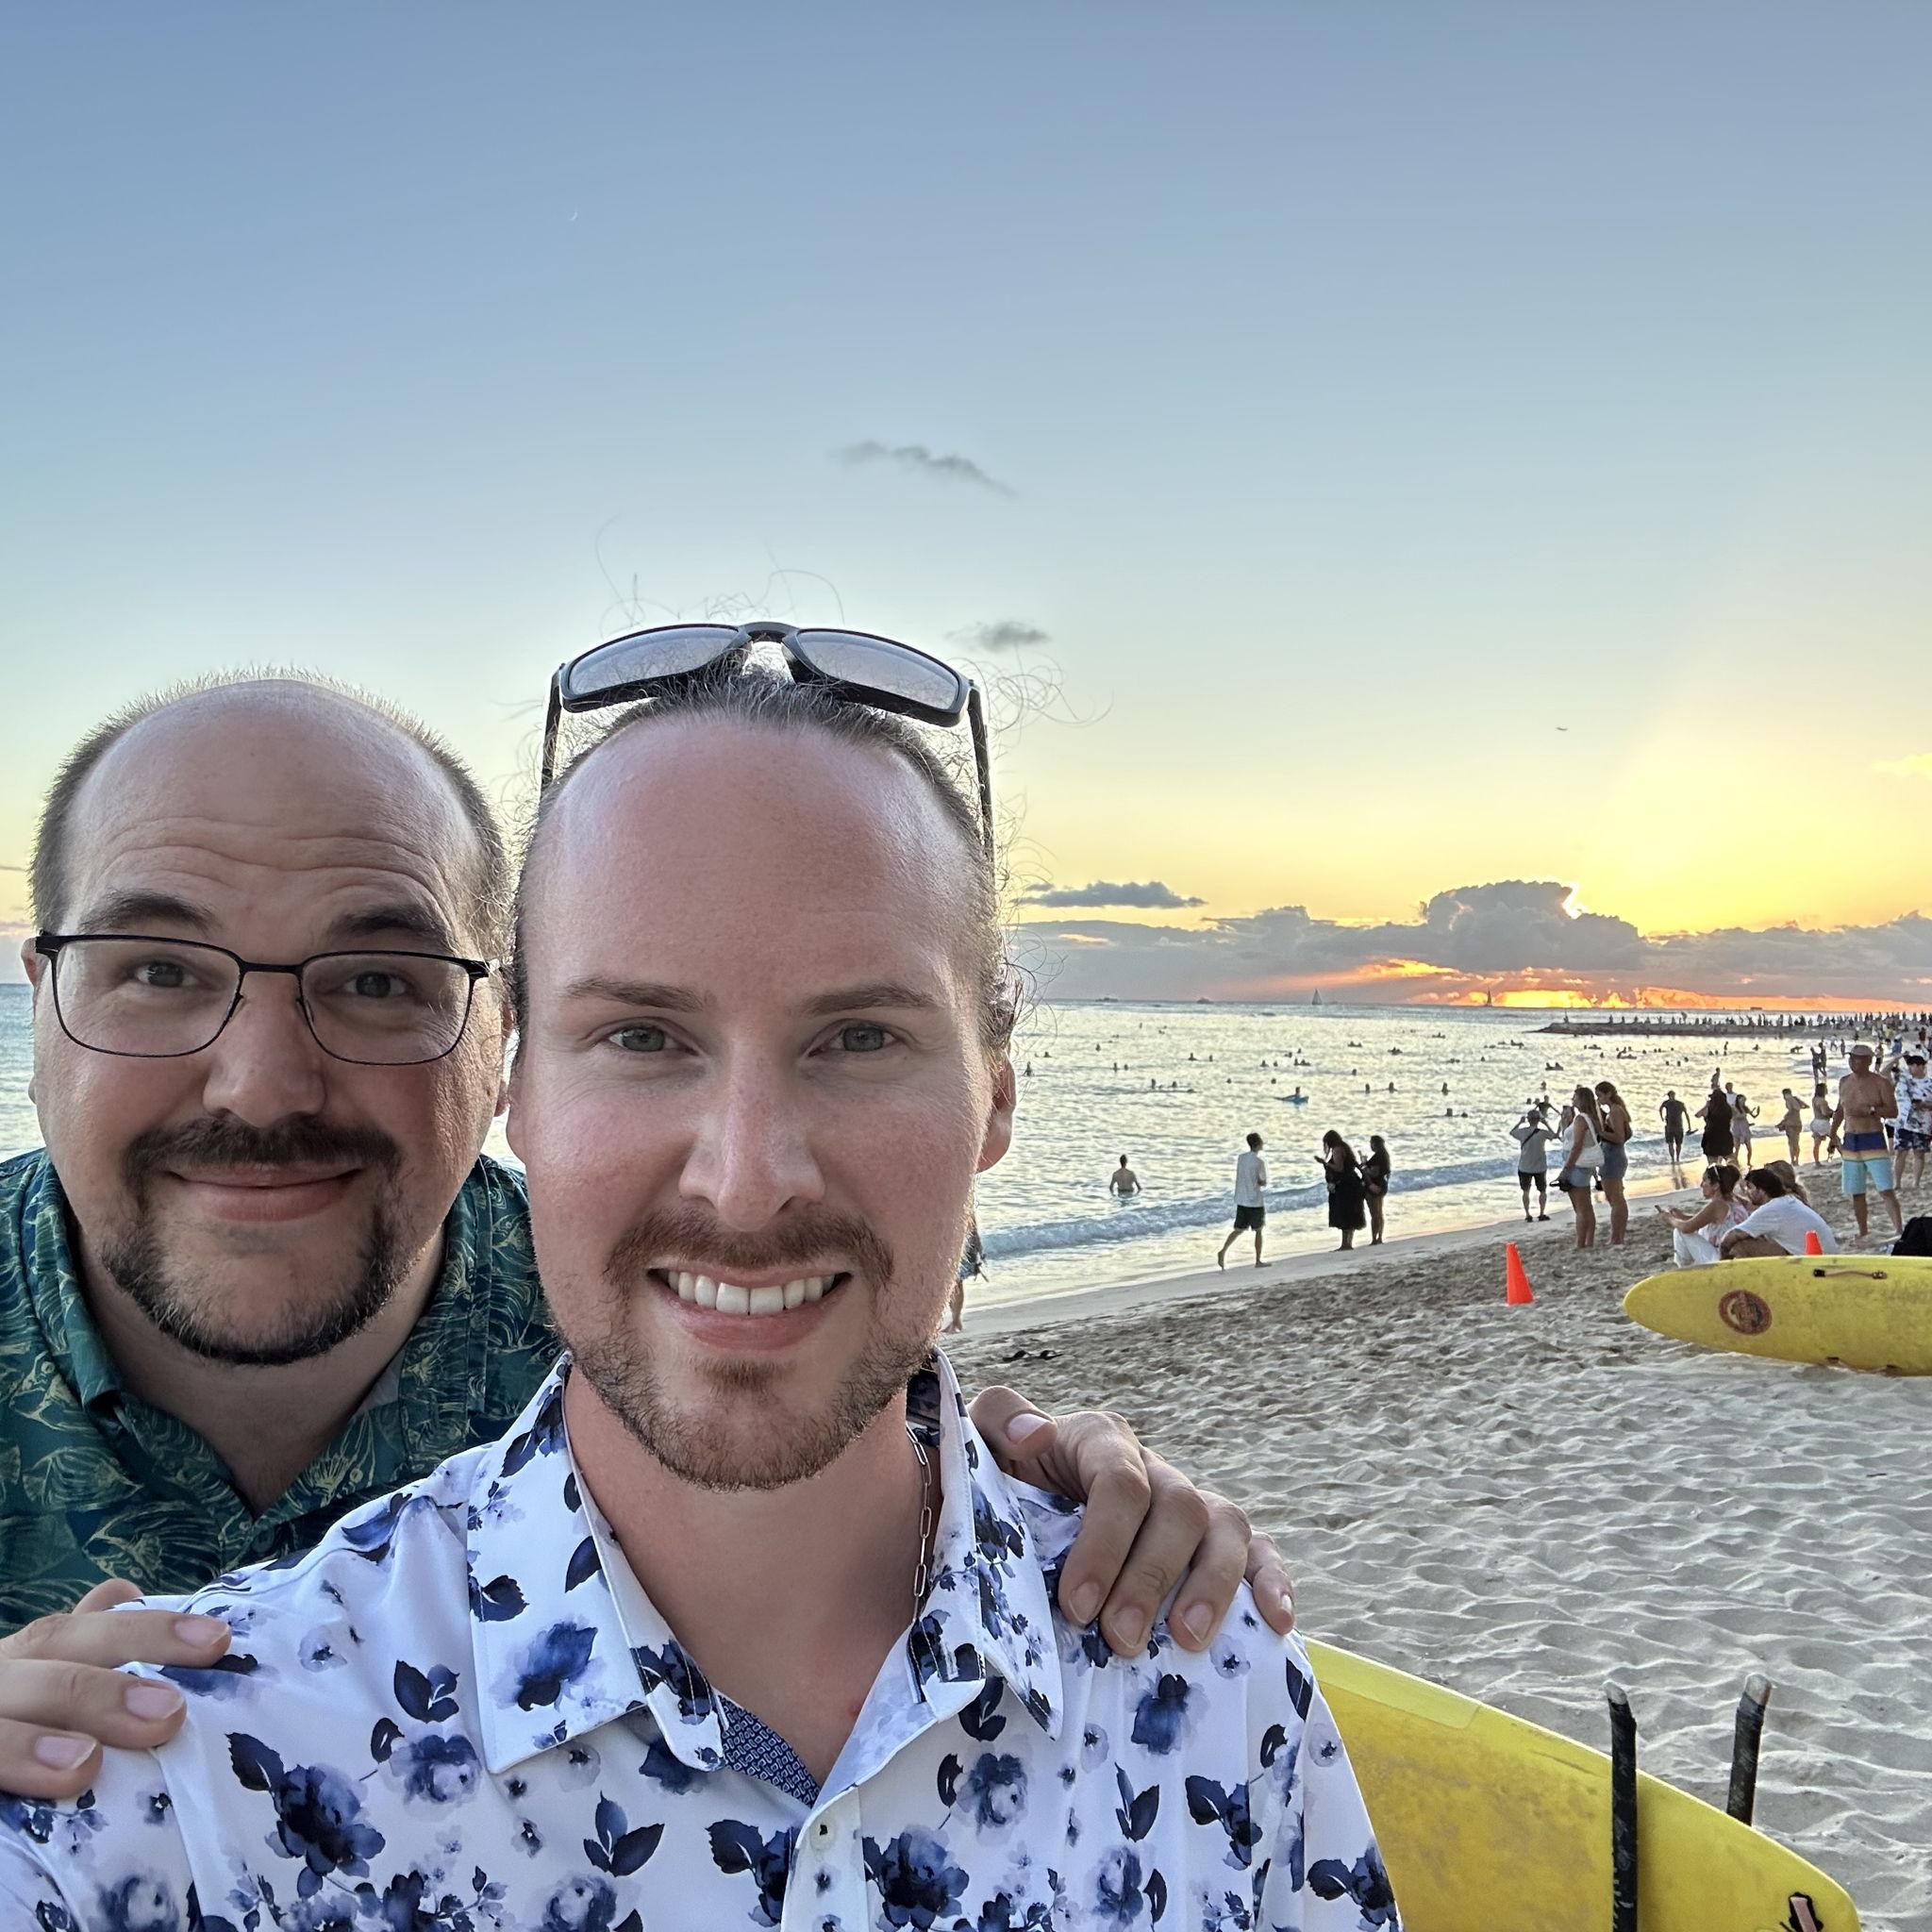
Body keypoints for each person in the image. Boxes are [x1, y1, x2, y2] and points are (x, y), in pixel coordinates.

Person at [0, 658, 1393, 1928]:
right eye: (642, 1035)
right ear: (525, 1091)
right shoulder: (158, 1800)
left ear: (997, 1102)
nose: (745, 1184)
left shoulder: (1198, 1678)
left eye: (860, 1035)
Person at [1828, 1043, 1905, 1241]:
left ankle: (1899, 1230)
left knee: (1885, 1188)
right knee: (1856, 1191)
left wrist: (1871, 1110)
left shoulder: (1881, 1083)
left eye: (1858, 1058)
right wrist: (1832, 1133)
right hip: (1850, 1139)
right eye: (1851, 1058)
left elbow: (1892, 1111)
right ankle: (1863, 1231)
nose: (1853, 1062)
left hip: (1872, 1138)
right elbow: (1840, 1110)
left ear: (1869, 1061)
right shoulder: (1844, 1081)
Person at [1721, 1167, 1840, 1258]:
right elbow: (1751, 1208)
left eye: (1750, 1188)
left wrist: (1722, 1258)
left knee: (1740, 1246)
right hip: (1827, 1256)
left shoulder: (1770, 1209)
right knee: (1761, 1236)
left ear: (1761, 1191)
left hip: (1811, 1263)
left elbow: (1731, 1236)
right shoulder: (1789, 1200)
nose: (1747, 1192)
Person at [1657, 1162, 1747, 1266]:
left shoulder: (1718, 1205)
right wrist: (1682, 1217)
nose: (1701, 1185)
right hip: (1734, 1255)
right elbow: (1707, 1220)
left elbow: (1687, 1228)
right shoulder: (1735, 1200)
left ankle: (1683, 1267)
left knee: (1679, 1231)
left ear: (1716, 1186)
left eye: (1705, 1181)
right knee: (1683, 1226)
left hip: (1721, 1260)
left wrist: (1669, 1219)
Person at [1556, 1085, 1606, 1248]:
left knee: (1580, 1208)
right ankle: (1588, 1241)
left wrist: (1566, 1169)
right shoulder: (1589, 1118)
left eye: (1575, 1097)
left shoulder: (1581, 1119)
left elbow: (1577, 1146)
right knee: (1586, 1206)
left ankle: (1580, 1242)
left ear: (1581, 1099)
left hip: (1577, 1165)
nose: (1572, 1100)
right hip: (1583, 1165)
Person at [1216, 1130, 1269, 1269]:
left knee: (1238, 1229)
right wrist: (1259, 1181)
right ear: (1258, 1144)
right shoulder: (1259, 1162)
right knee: (1258, 1230)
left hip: (1241, 1199)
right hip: (1255, 1201)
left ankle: (1223, 1251)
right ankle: (1258, 1260)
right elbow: (1263, 1182)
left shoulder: (1241, 1158)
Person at [1593, 1079, 1633, 1244]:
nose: (1599, 1100)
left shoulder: (1616, 1111)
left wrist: (1600, 1132)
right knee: (1615, 1198)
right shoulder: (1613, 1110)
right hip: (1611, 1156)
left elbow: (1619, 1137)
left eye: (1600, 1096)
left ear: (1608, 1094)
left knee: (1615, 1199)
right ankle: (1617, 1236)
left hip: (1613, 1156)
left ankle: (1617, 1237)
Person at [1890, 1049, 1932, 1191]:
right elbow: (1884, 1072)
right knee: (1900, 1153)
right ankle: (1897, 1183)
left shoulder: (1930, 1084)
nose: (1910, 1067)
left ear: (1921, 1066)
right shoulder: (1903, 1079)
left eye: (1913, 1065)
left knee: (1919, 1154)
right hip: (1903, 1122)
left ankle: (1916, 1182)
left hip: (1923, 1124)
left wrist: (1923, 1105)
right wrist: (1898, 1057)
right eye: (1909, 1065)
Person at [1320, 1130, 1367, 1252]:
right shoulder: (1345, 1147)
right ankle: (1348, 1243)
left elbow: (1339, 1168)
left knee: (1344, 1213)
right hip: (1352, 1183)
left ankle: (1345, 1244)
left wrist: (1326, 1164)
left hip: (1345, 1185)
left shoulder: (1337, 1149)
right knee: (1351, 1212)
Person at [1511, 1102, 1556, 1222]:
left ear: (1528, 1119)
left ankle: (1527, 1214)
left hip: (1524, 1166)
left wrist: (1520, 1122)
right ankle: (1541, 1213)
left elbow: (1512, 1132)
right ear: (1538, 1120)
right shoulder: (1542, 1133)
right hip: (1540, 1166)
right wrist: (1546, 1123)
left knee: (1526, 1191)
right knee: (1542, 1190)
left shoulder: (1522, 1132)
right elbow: (1554, 1135)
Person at [945, 1218, 984, 1333]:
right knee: (950, 1283)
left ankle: (956, 1321)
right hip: (951, 1237)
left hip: (961, 1238)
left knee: (956, 1281)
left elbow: (970, 1214)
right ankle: (955, 1320)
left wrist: (975, 1238)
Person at [1361, 1134, 1391, 1244]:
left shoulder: (1378, 1156)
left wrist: (1364, 1168)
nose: (1370, 1145)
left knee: (1374, 1214)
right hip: (1382, 1185)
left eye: (1371, 1143)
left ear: (1375, 1144)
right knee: (1379, 1213)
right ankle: (1380, 1237)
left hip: (1374, 1186)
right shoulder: (1385, 1155)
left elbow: (1374, 1172)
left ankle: (1374, 1238)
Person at [1697, 1082, 1735, 1165]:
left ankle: (1716, 1177)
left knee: (1712, 1164)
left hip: (1711, 1138)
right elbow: (1735, 1114)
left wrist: (1706, 1105)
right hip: (1725, 1136)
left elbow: (1698, 1115)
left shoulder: (1709, 1109)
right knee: (1731, 1161)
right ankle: (1734, 1176)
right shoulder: (1729, 1109)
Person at [1658, 1089, 1690, 1179]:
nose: (1671, 1097)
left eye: (1672, 1096)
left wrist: (1689, 1126)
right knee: (1670, 1143)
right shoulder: (1666, 1103)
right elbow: (1660, 1109)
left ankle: (1678, 1157)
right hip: (1669, 1126)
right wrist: (1661, 1117)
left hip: (1678, 1126)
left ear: (1674, 1095)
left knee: (1679, 1144)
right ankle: (1673, 1158)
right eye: (1670, 1096)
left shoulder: (1680, 1103)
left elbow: (1686, 1114)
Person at [1776, 1087, 1805, 1161]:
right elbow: (1805, 1106)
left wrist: (1784, 1120)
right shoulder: (1795, 1099)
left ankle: (1793, 1160)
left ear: (1785, 1094)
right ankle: (1797, 1159)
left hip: (1790, 1124)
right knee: (1796, 1142)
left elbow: (1791, 1111)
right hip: (1798, 1123)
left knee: (1791, 1144)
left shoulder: (1788, 1100)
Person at [1809, 1080, 1834, 1164]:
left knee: (1817, 1143)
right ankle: (1844, 1157)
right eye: (1826, 1089)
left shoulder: (1814, 1099)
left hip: (1815, 1122)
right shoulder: (1823, 1101)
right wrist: (1832, 1113)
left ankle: (1817, 1162)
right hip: (1823, 1123)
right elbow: (1824, 1113)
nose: (1827, 1090)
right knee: (1836, 1139)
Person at [1731, 1091, 1756, 1169]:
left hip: (1745, 1129)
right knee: (1737, 1148)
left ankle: (1749, 1162)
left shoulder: (1745, 1107)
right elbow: (1735, 1117)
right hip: (1737, 1129)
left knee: (1749, 1148)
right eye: (1742, 1100)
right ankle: (1735, 1163)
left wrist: (1756, 1113)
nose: (1744, 1102)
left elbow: (1753, 1116)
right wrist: (1743, 1115)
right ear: (1738, 1100)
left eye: (1745, 1100)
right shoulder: (1733, 1107)